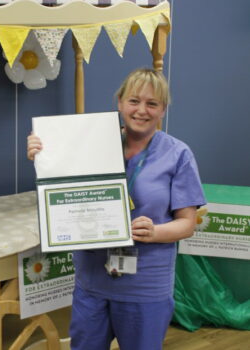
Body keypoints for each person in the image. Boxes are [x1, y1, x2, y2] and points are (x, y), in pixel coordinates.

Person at [27, 68, 205, 350]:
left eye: (152, 104)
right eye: (134, 101)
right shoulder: (89, 143)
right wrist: (44, 154)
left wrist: (155, 231)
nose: (141, 110)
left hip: (145, 283)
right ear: (119, 102)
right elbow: (62, 183)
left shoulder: (177, 154)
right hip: (92, 279)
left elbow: (187, 223)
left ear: (163, 109)